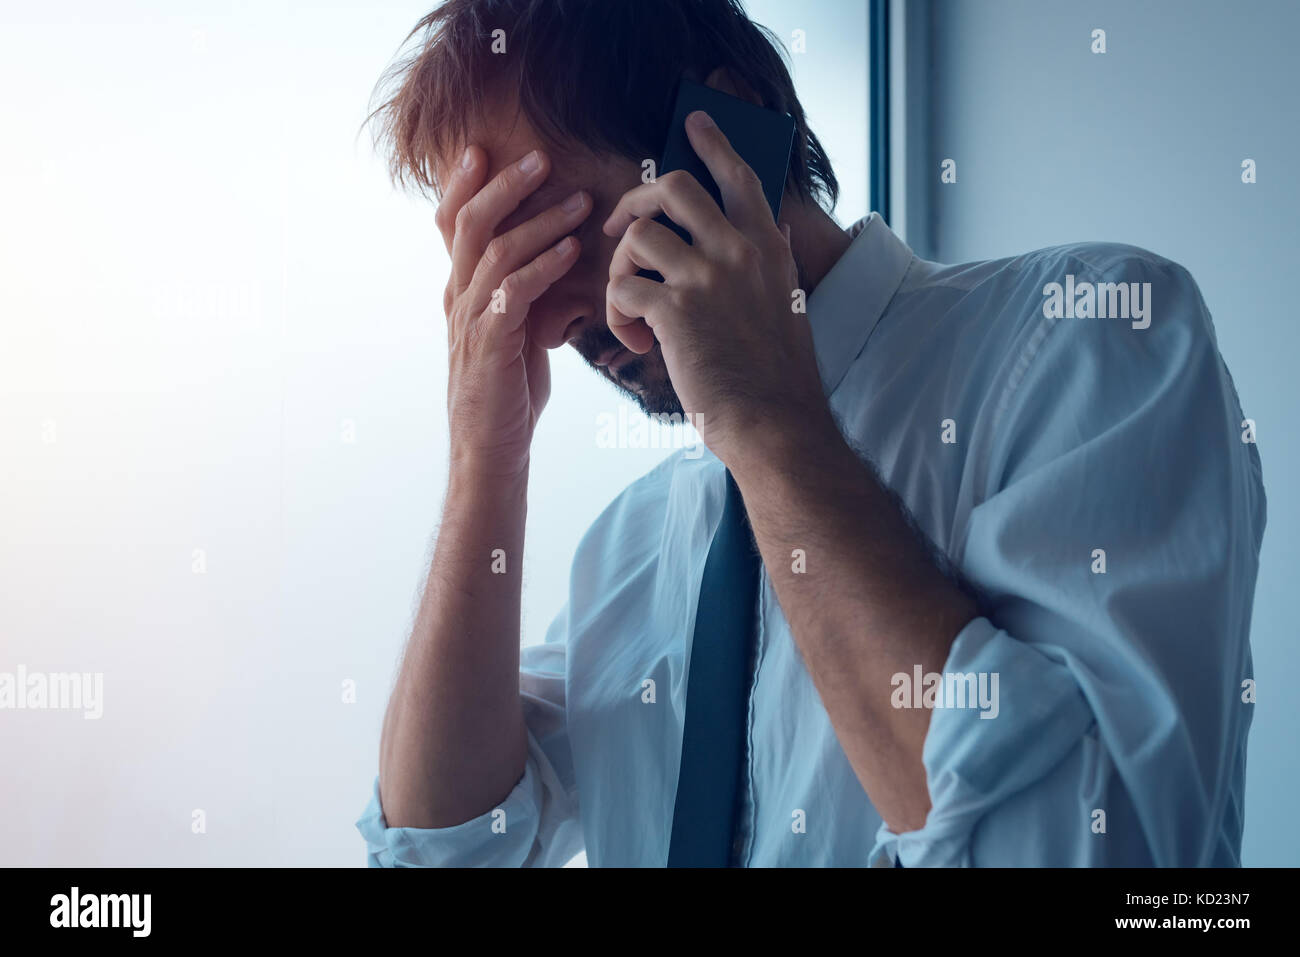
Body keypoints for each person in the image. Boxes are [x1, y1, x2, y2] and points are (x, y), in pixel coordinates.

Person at [356, 0, 1265, 867]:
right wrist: (485, 459)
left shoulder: (1095, 341)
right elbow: (447, 848)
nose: (545, 323)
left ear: (726, 129)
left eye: (556, 232)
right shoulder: (625, 555)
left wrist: (764, 420)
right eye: (502, 267)